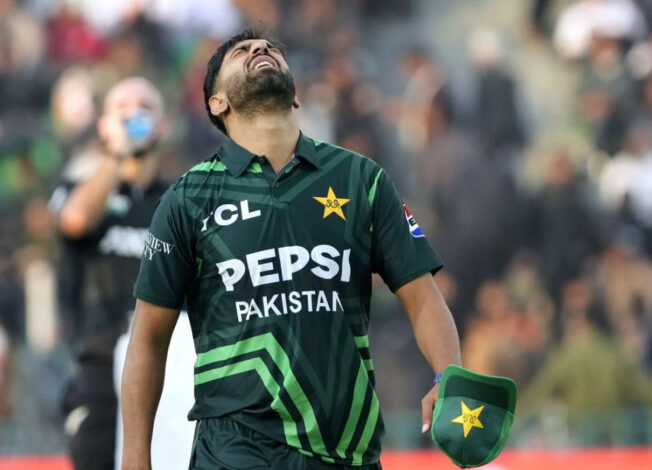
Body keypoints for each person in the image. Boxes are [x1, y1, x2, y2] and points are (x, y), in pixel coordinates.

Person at [121, 28, 462, 470]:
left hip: (346, 452)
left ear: (297, 96)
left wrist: (448, 374)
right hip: (232, 452)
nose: (261, 49)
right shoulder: (188, 198)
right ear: (217, 102)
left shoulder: (361, 179)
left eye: (270, 49)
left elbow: (423, 298)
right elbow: (148, 337)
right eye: (242, 51)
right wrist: (135, 458)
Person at [50, 77, 193, 470]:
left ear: (162, 126)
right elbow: (76, 221)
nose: (133, 116)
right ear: (103, 126)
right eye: (122, 109)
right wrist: (117, 154)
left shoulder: (180, 201)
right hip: (98, 363)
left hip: (168, 369)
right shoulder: (77, 188)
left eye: (144, 108)